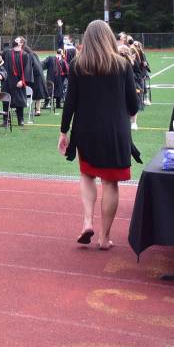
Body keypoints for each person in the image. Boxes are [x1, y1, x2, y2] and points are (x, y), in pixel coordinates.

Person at [58, 19, 142, 251]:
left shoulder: (77, 65)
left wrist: (63, 131)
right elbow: (133, 106)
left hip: (86, 130)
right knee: (110, 182)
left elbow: (70, 103)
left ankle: (87, 221)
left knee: (87, 175)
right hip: (115, 131)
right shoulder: (122, 65)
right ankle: (104, 237)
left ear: (87, 39)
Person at [3, 37, 34, 126]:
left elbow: (27, 69)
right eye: (15, 39)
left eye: (18, 39)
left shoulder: (25, 55)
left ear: (22, 43)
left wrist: (22, 81)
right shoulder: (7, 53)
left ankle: (20, 119)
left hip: (19, 82)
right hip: (8, 81)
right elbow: (1, 63)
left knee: (19, 101)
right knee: (5, 99)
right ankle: (6, 119)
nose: (15, 40)